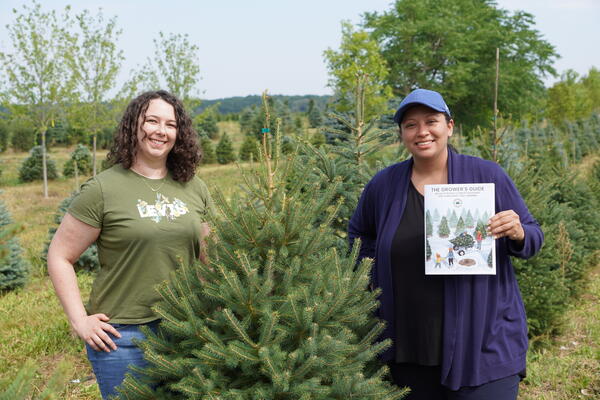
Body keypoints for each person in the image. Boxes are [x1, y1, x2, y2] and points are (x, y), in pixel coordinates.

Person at [348, 89, 543, 400]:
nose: (422, 131)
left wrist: (518, 232)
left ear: (449, 126)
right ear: (401, 134)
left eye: (431, 121)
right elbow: (358, 237)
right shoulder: (384, 185)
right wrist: (376, 281)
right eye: (410, 124)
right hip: (408, 352)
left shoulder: (485, 175)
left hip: (483, 348)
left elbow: (534, 236)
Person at [47, 90, 214, 399]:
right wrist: (79, 320)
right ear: (133, 126)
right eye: (151, 121)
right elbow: (59, 255)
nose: (161, 131)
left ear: (180, 133)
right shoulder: (103, 188)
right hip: (122, 336)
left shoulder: (194, 186)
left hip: (186, 328)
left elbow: (209, 258)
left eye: (171, 124)